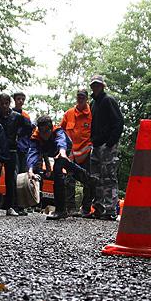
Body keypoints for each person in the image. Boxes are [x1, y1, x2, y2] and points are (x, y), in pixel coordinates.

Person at [27, 115, 97, 221]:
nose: (44, 135)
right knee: (67, 166)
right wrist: (30, 170)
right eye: (41, 131)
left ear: (51, 129)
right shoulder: (35, 137)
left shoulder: (58, 131)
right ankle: (90, 180)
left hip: (64, 148)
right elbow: (33, 153)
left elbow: (61, 141)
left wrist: (62, 152)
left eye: (46, 131)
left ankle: (60, 210)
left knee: (58, 169)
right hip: (51, 151)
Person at [88, 74, 124, 220]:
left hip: (107, 146)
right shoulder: (93, 104)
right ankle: (98, 208)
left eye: (98, 84)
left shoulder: (108, 100)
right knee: (95, 178)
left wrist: (110, 143)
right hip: (95, 146)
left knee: (109, 177)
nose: (95, 87)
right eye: (93, 85)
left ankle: (110, 210)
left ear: (102, 86)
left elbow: (119, 123)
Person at [0, 92, 33, 216]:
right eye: (2, 104)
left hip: (12, 150)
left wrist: (20, 135)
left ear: (9, 103)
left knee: (11, 179)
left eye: (6, 103)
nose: (4, 106)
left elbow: (30, 127)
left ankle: (10, 206)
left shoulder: (16, 116)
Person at [59, 88, 93, 216]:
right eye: (78, 96)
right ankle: (71, 208)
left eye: (83, 97)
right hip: (71, 153)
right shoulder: (69, 113)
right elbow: (60, 131)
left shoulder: (91, 114)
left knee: (88, 180)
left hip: (87, 152)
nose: (80, 99)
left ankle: (86, 208)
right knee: (69, 179)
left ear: (86, 99)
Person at [11, 90, 35, 173]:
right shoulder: (10, 114)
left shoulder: (26, 116)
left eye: (22, 99)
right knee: (14, 170)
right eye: (18, 99)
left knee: (23, 171)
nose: (20, 101)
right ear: (14, 100)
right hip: (13, 147)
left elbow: (29, 132)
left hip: (24, 147)